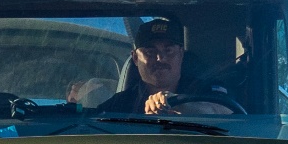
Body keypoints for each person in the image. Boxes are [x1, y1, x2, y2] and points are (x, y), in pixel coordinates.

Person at [100, 16, 244, 118]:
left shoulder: (205, 88)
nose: (160, 58)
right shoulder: (121, 103)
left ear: (181, 54)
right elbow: (92, 123)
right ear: (136, 58)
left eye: (168, 51)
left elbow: (226, 110)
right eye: (150, 52)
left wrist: (178, 103)